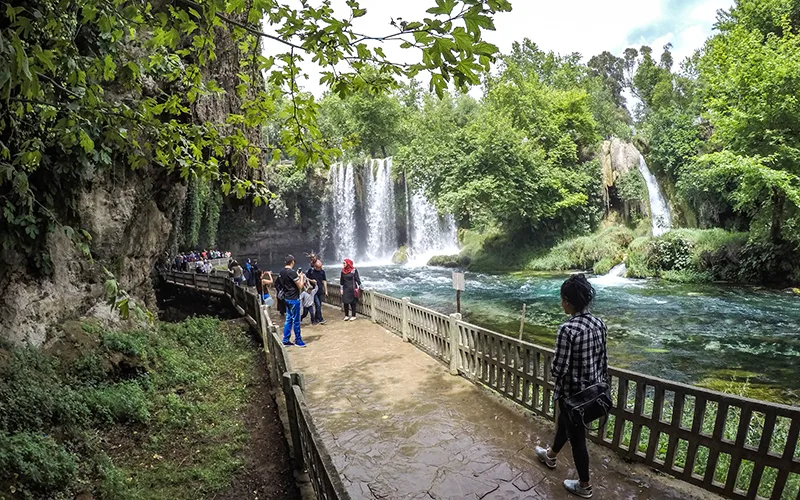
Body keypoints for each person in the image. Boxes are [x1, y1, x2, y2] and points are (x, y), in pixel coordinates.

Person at [534, 274, 608, 499]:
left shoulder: (567, 329)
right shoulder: (599, 324)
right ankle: (551, 454)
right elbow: (603, 360)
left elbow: (559, 368)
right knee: (564, 425)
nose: (561, 303)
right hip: (593, 392)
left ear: (568, 301)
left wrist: (553, 368)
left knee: (577, 441)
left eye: (562, 299)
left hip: (572, 395)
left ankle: (584, 486)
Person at [279, 255, 306, 347]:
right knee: (296, 320)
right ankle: (298, 340)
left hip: (286, 298)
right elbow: (300, 286)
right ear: (292, 262)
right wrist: (301, 277)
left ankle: (285, 339)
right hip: (294, 298)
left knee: (288, 319)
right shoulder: (292, 272)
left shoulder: (282, 272)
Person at [306, 259, 328, 325]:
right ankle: (321, 319)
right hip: (313, 291)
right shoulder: (311, 271)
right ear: (315, 266)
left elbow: (324, 281)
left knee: (319, 305)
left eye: (320, 267)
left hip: (320, 290)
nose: (320, 268)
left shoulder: (322, 272)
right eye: (318, 267)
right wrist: (311, 280)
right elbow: (305, 278)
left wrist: (326, 291)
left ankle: (316, 318)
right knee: (317, 304)